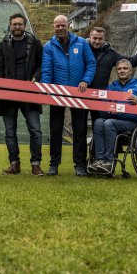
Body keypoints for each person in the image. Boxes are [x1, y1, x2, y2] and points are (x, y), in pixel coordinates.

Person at [41, 15, 96, 176]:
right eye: (57, 25)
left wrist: (86, 80)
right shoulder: (49, 46)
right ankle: (54, 164)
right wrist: (46, 89)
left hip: (78, 93)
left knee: (79, 130)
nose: (60, 28)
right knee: (55, 130)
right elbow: (46, 70)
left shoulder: (82, 43)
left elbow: (91, 64)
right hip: (57, 94)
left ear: (68, 25)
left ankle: (79, 165)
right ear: (54, 27)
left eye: (63, 25)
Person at [0, 13, 44, 176]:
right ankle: (14, 164)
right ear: (10, 26)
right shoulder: (2, 45)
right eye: (14, 24)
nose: (17, 27)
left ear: (25, 26)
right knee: (10, 131)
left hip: (30, 93)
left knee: (36, 130)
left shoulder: (35, 43)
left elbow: (43, 64)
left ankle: (36, 165)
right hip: (8, 95)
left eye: (20, 24)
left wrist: (37, 76)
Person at [88, 59, 137, 175]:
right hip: (114, 121)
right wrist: (108, 110)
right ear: (116, 71)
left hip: (133, 123)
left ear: (131, 71)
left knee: (109, 123)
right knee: (98, 121)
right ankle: (99, 160)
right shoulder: (111, 87)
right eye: (119, 69)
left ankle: (109, 161)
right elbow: (102, 111)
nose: (122, 71)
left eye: (125, 68)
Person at [86, 26, 137, 126]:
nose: (97, 41)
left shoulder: (110, 54)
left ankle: (96, 143)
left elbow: (131, 62)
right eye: (95, 38)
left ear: (104, 39)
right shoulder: (81, 50)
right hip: (80, 94)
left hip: (99, 97)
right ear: (90, 37)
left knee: (98, 126)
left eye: (100, 39)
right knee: (79, 128)